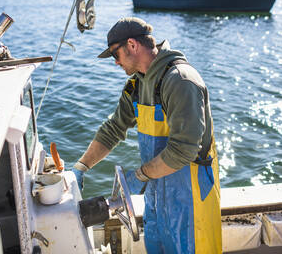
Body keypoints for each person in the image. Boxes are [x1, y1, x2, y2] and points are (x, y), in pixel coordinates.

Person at [73, 17, 222, 254]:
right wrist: (81, 166)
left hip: (190, 201)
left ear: (132, 45)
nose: (115, 63)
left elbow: (183, 150)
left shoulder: (180, 80)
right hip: (156, 198)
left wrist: (140, 176)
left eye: (115, 54)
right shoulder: (136, 86)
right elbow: (114, 129)